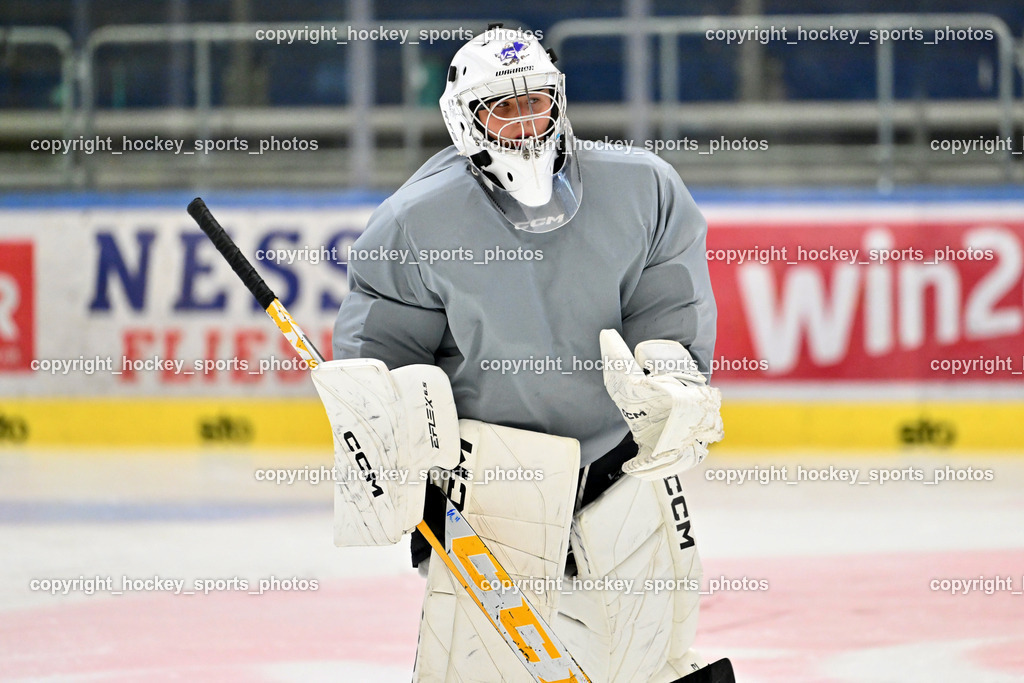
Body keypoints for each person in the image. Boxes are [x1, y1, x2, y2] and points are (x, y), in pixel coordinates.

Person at [327, 25, 725, 683]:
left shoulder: (644, 189)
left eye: (535, 100)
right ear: (465, 116)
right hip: (491, 484)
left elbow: (672, 324)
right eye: (501, 107)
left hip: (618, 473)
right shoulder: (413, 222)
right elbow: (388, 367)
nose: (524, 121)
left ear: (559, 100)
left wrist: (675, 390)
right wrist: (394, 454)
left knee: (655, 660)